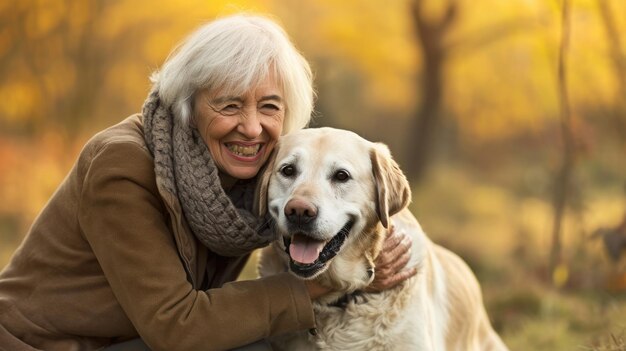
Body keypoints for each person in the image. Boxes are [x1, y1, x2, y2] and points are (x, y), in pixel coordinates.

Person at [0, 14, 416, 351]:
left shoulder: (256, 169)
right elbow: (177, 326)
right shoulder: (122, 163)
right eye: (229, 104)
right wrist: (327, 284)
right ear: (188, 103)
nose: (251, 128)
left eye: (269, 107)